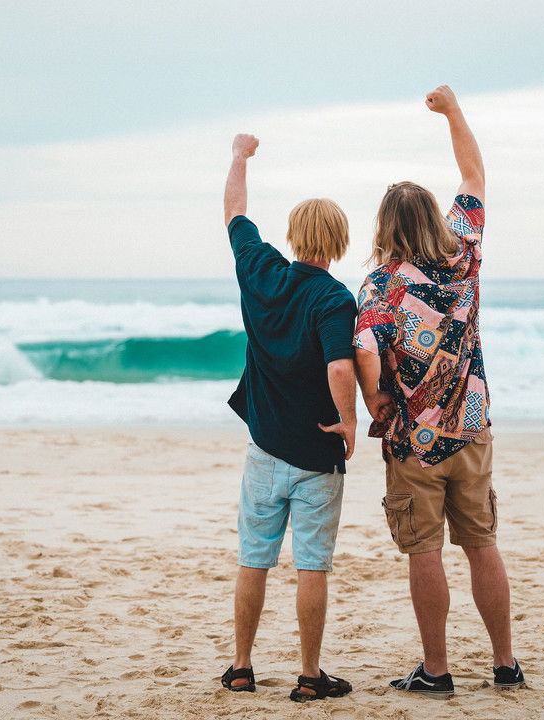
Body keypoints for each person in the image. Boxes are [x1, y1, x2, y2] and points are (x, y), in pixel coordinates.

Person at [353, 86, 525, 696]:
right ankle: (505, 664)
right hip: (471, 426)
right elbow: (474, 173)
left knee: (424, 551)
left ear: (384, 227)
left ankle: (437, 670)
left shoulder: (380, 287)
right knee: (482, 544)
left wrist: (374, 402)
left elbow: (365, 352)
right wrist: (452, 112)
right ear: (433, 216)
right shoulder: (464, 254)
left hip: (415, 442)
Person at [219, 132, 358, 703]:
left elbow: (234, 212)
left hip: (264, 446)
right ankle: (309, 675)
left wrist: (239, 157)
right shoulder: (335, 298)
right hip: (317, 452)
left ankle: (241, 667)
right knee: (312, 566)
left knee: (253, 559)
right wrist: (349, 422)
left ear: (295, 237)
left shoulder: (260, 271)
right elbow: (340, 366)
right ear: (339, 242)